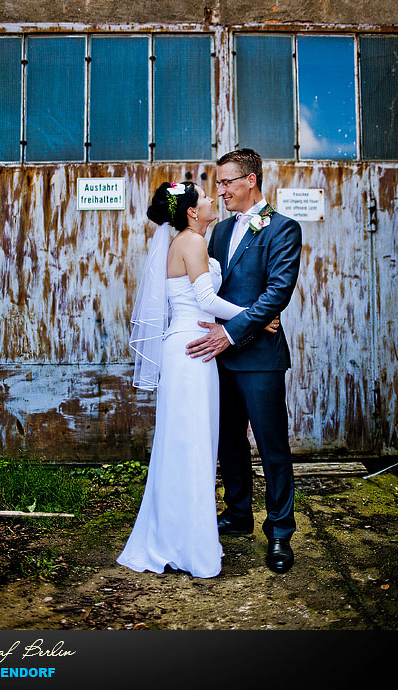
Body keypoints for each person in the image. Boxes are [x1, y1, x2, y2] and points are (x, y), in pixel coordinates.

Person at [117, 181, 280, 579]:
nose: (212, 199)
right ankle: (187, 543)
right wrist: (256, 316)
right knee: (191, 444)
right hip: (193, 350)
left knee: (192, 442)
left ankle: (182, 534)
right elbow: (205, 302)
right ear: (192, 211)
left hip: (198, 347)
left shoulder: (193, 240)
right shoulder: (191, 242)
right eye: (205, 196)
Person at [187, 148, 302, 574]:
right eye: (217, 184)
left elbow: (277, 294)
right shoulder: (216, 234)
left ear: (250, 180)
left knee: (272, 447)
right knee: (229, 444)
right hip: (218, 358)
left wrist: (233, 331)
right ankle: (238, 516)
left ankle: (279, 533)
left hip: (260, 359)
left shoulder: (283, 230)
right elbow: (208, 290)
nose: (220, 191)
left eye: (226, 183)